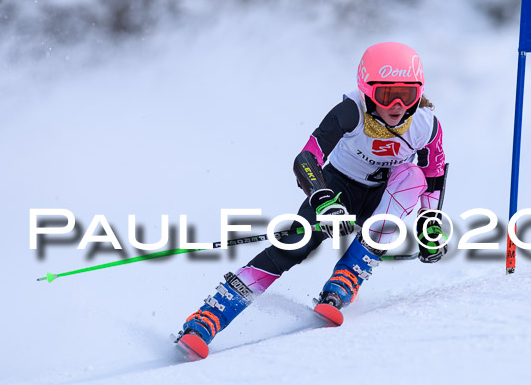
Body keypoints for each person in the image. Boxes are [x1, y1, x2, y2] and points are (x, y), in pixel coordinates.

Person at [176, 42, 447, 359]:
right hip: (337, 188)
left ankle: (347, 277)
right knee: (293, 246)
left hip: (381, 200)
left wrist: (430, 225)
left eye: (408, 94)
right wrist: (323, 200)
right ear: (366, 89)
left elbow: (433, 176)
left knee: (412, 175)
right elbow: (307, 157)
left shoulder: (426, 125)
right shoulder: (351, 112)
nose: (398, 105)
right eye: (387, 95)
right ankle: (209, 316)